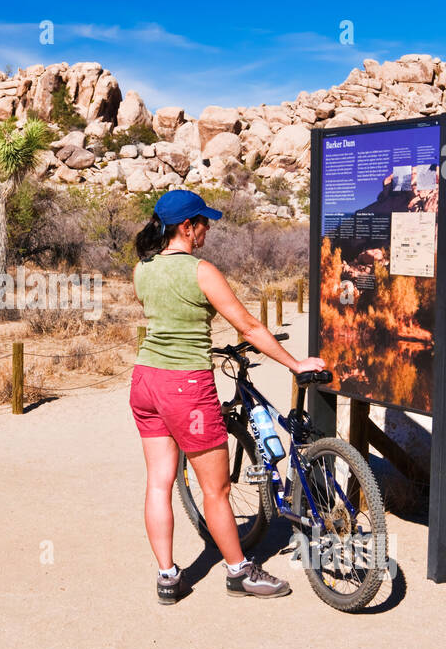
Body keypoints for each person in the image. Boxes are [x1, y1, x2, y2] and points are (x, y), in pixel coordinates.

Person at [129, 189, 325, 605]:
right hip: (186, 387)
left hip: (146, 381)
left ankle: (167, 577)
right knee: (215, 490)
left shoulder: (141, 269)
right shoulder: (201, 271)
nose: (208, 230)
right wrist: (294, 363)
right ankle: (239, 572)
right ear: (187, 227)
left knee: (158, 484)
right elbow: (250, 327)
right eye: (204, 223)